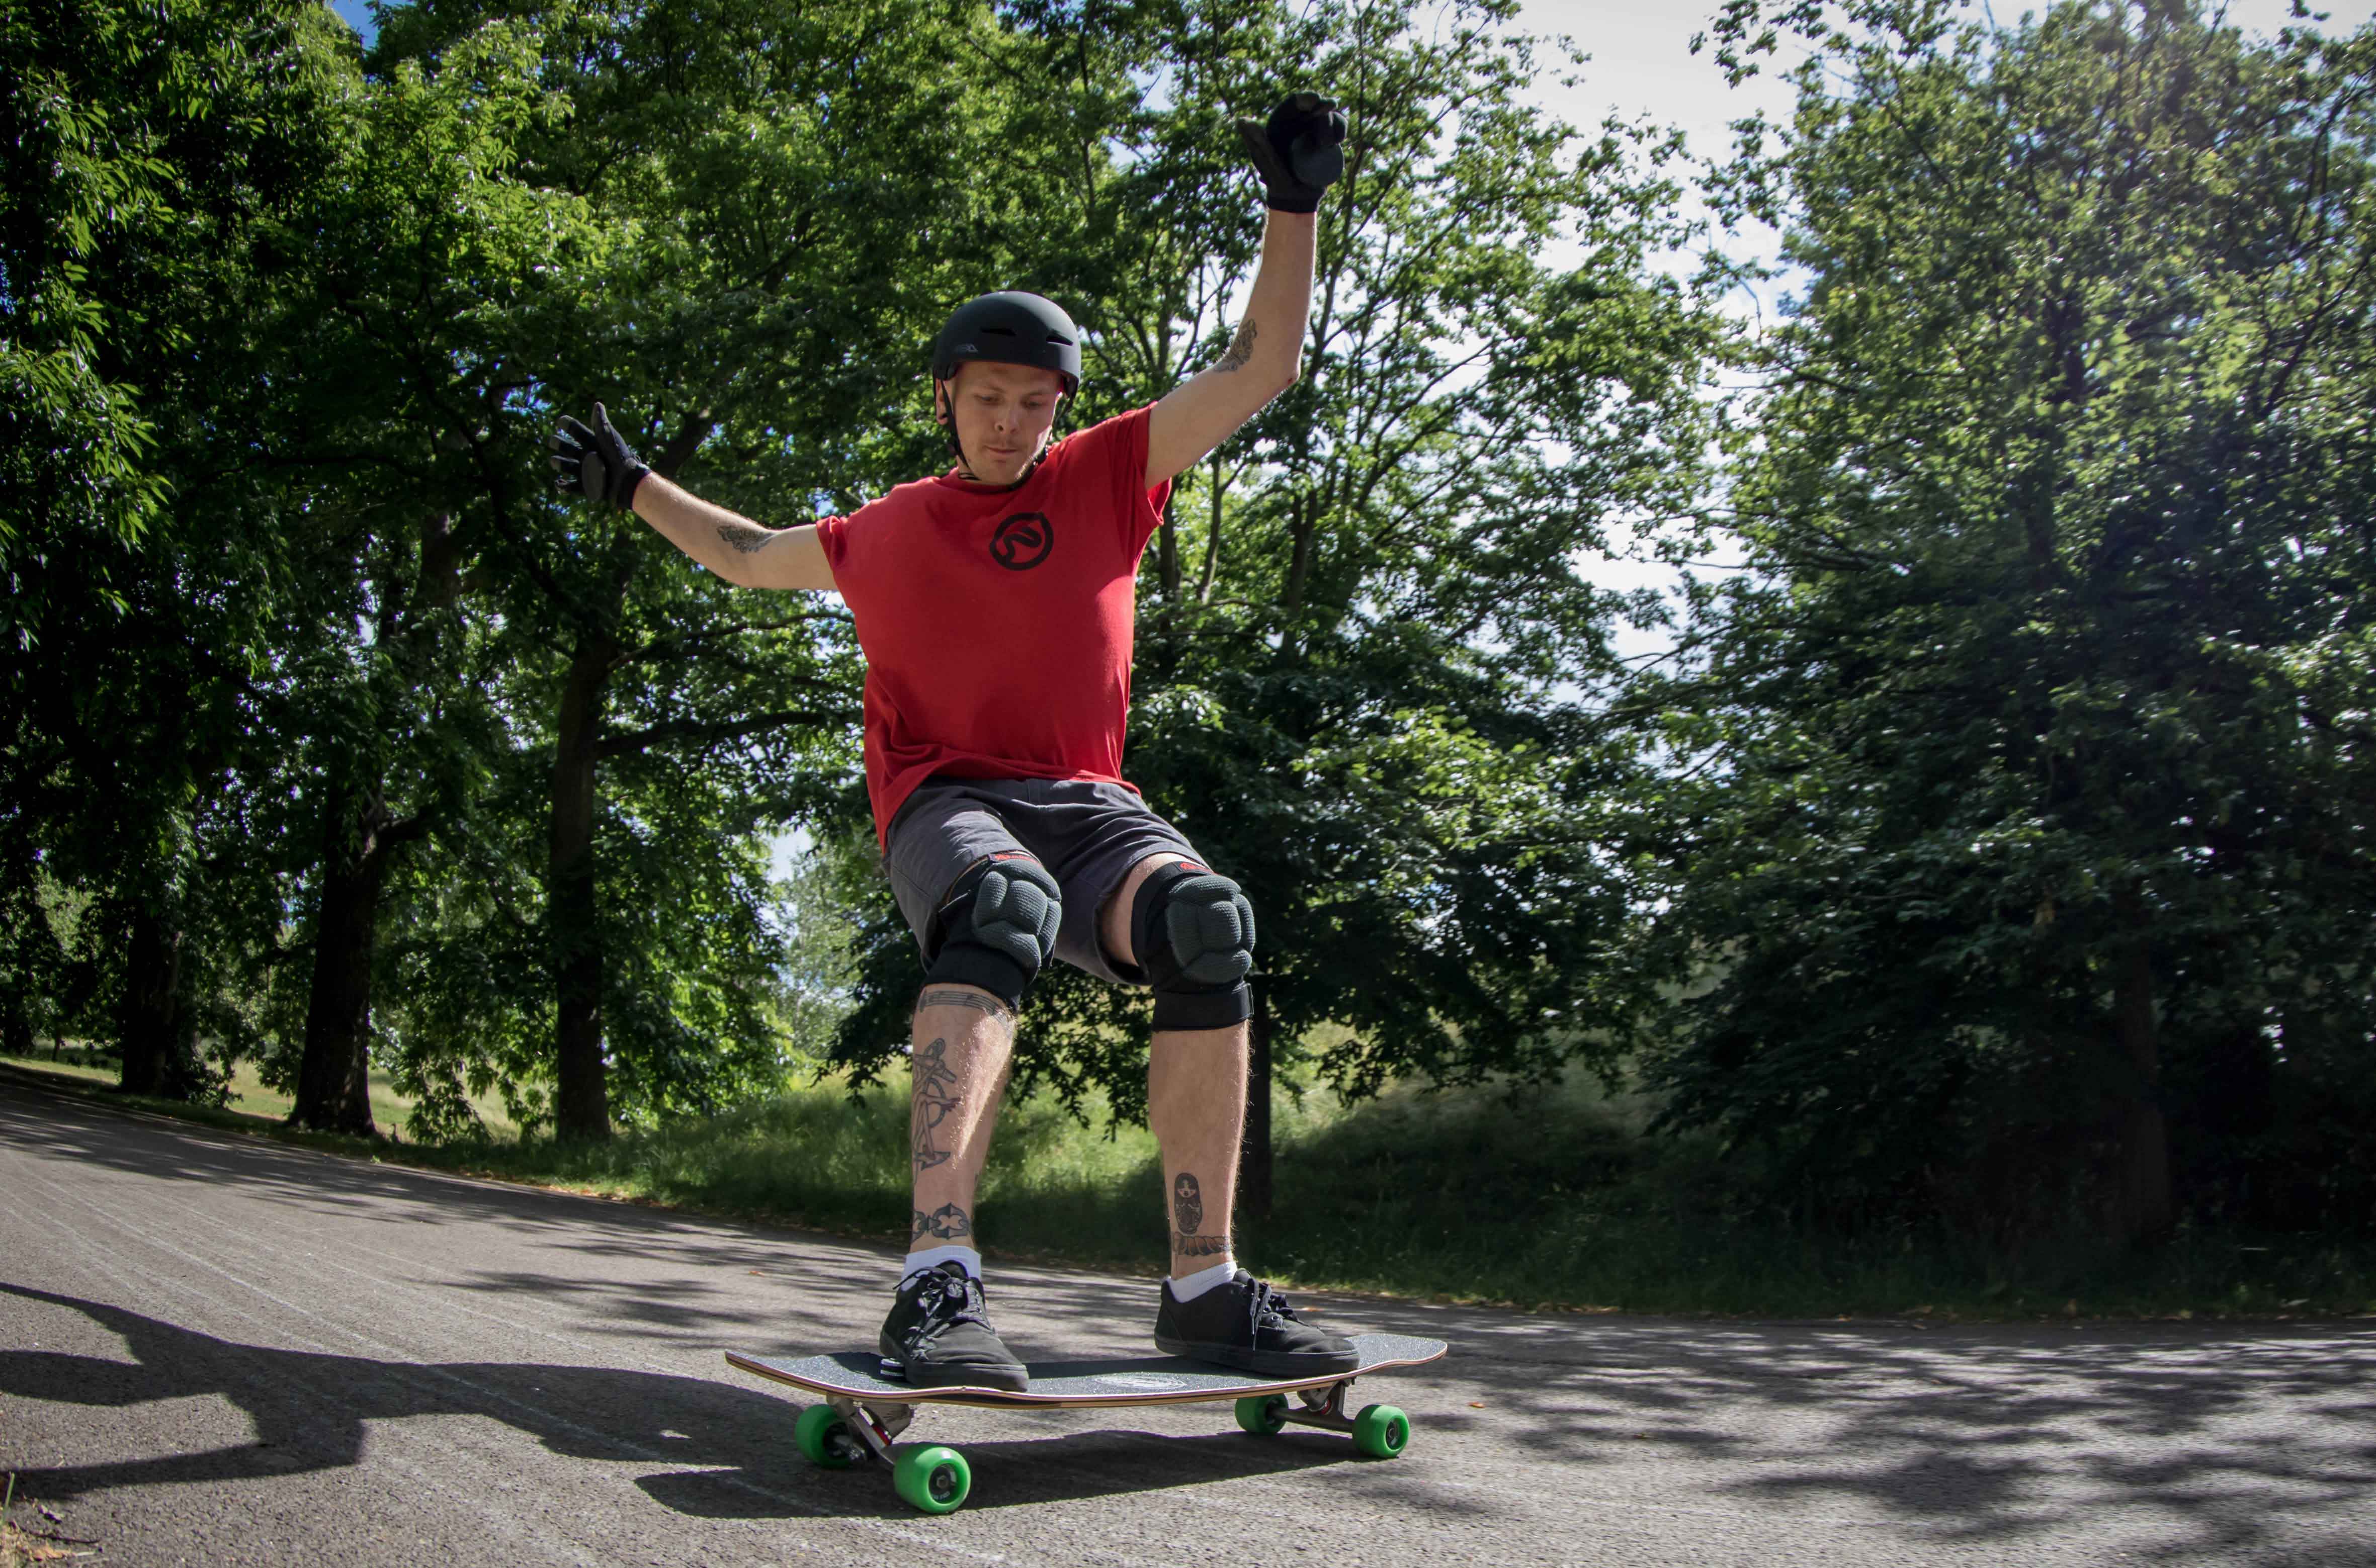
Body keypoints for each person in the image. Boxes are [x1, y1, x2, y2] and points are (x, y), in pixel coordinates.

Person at [550, 93, 1353, 1393]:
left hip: (1093, 802)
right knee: (997, 904)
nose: (1011, 425)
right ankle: (937, 1276)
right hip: (947, 799)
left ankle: (1204, 1285)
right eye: (987, 400)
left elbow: (1258, 365)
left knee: (1209, 923)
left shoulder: (1103, 474)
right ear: (945, 398)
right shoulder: (890, 529)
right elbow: (747, 557)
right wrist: (638, 487)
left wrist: (1292, 209)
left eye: (1034, 403)